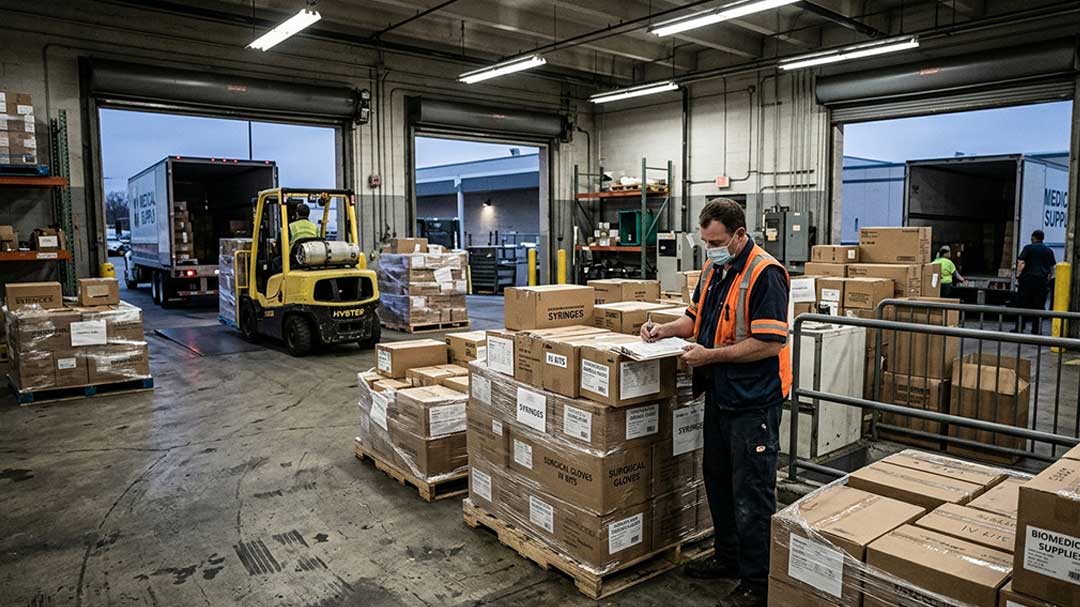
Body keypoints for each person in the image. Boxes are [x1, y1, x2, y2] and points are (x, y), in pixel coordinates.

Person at [641, 199, 790, 607]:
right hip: (721, 395)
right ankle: (728, 557)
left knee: (752, 491)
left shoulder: (765, 274)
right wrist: (662, 329)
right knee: (719, 480)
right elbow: (695, 319)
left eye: (718, 241)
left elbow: (769, 342)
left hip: (754, 401)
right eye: (706, 242)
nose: (711, 248)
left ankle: (758, 584)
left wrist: (709, 356)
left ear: (740, 234)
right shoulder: (714, 269)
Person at [1016, 229, 1056, 334]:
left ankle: (1020, 328)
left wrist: (1018, 276)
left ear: (1033, 237)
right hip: (1042, 282)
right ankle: (1036, 330)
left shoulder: (1028, 248)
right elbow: (1052, 268)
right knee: (1038, 307)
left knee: (1022, 305)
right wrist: (1048, 278)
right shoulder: (1049, 250)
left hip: (1027, 281)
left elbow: (1021, 263)